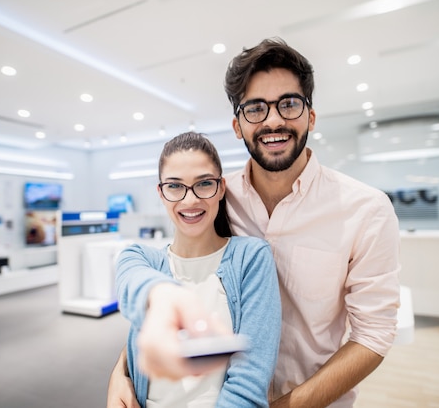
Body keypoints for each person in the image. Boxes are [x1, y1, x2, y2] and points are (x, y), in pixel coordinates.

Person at [109, 37, 401, 408]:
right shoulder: (214, 196)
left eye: (289, 104)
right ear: (237, 126)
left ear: (310, 115)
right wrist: (120, 370)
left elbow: (373, 335)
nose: (274, 120)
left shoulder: (366, 209)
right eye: (256, 109)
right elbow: (174, 281)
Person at [110, 131, 282, 407]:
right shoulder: (141, 256)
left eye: (203, 184)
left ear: (221, 187)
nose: (190, 200)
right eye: (175, 186)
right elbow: (133, 280)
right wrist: (162, 295)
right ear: (161, 192)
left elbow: (248, 383)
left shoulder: (250, 257)